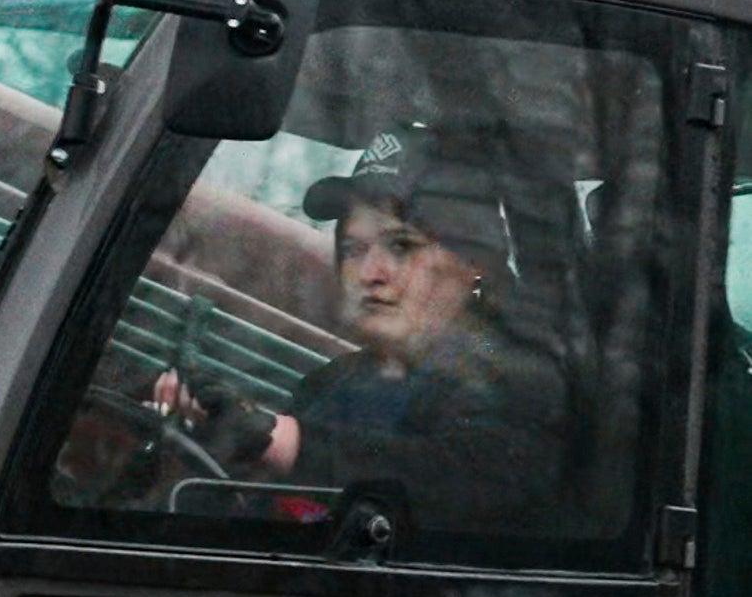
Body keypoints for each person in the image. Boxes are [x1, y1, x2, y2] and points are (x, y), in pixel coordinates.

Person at [155, 124, 564, 533]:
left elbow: (456, 480)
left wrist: (284, 441)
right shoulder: (330, 382)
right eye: (353, 249)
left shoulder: (517, 384)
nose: (369, 273)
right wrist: (213, 437)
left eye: (402, 246)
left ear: (476, 261)